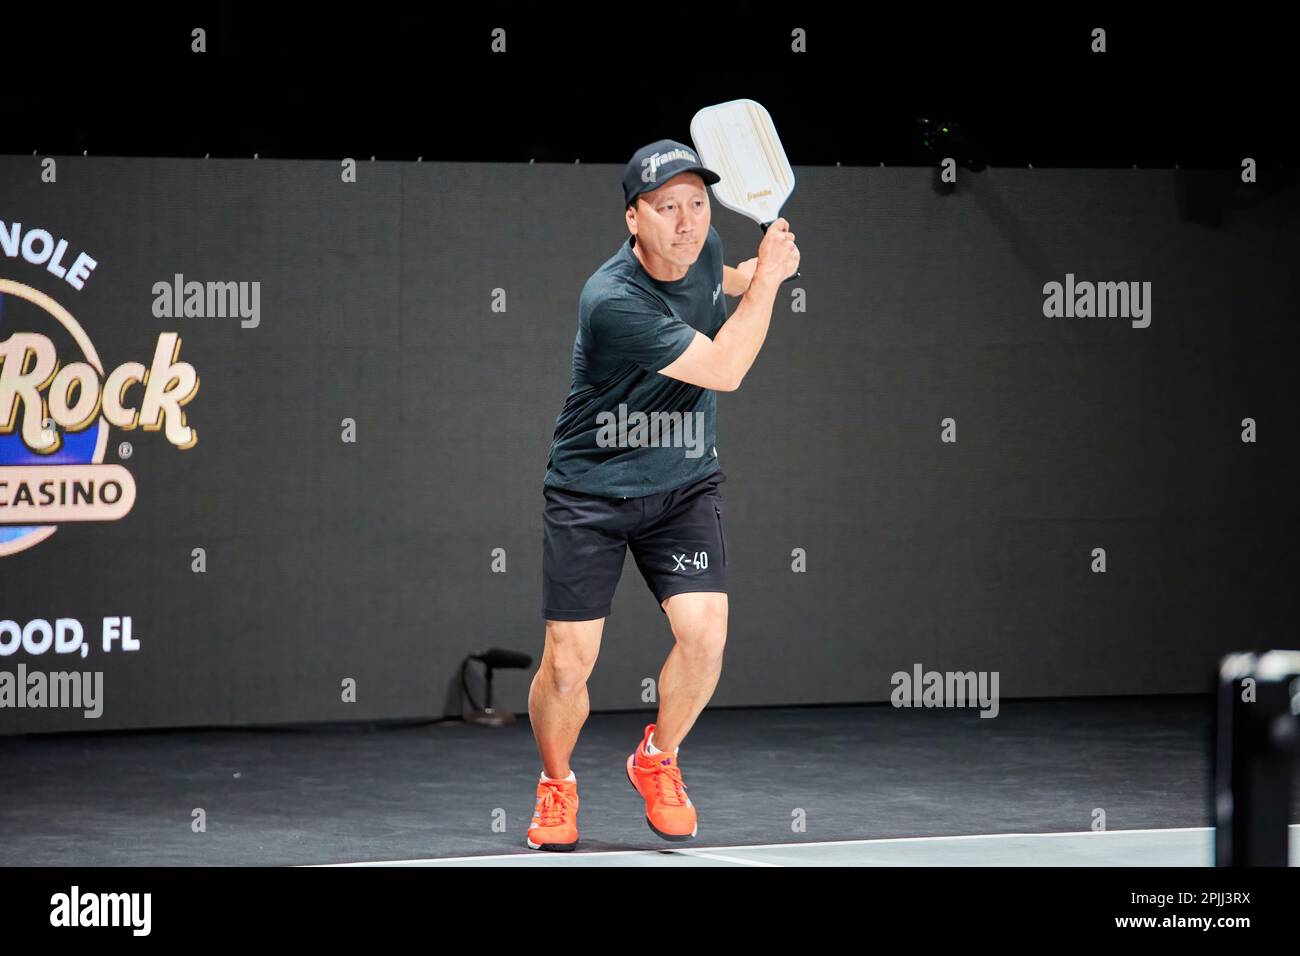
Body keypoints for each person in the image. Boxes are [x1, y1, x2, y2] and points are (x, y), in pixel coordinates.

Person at [527, 138, 800, 850]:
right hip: (590, 490)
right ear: (633, 218)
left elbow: (722, 280)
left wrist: (754, 273)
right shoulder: (613, 299)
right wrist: (772, 284)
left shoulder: (703, 247)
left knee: (705, 636)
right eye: (667, 207)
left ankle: (658, 757)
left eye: (698, 204)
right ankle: (557, 785)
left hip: (681, 486)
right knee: (567, 665)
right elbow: (726, 369)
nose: (687, 221)